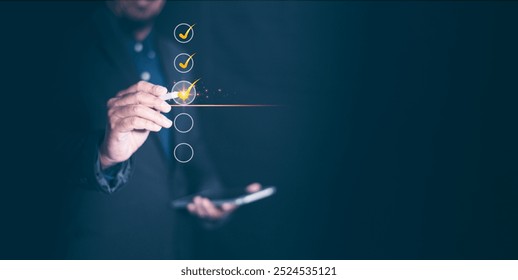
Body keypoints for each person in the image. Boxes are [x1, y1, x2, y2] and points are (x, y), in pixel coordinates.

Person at [51, 0, 260, 259]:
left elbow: (191, 145)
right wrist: (104, 156)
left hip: (168, 246)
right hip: (100, 250)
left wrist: (213, 195)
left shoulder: (176, 57)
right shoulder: (62, 46)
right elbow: (32, 150)